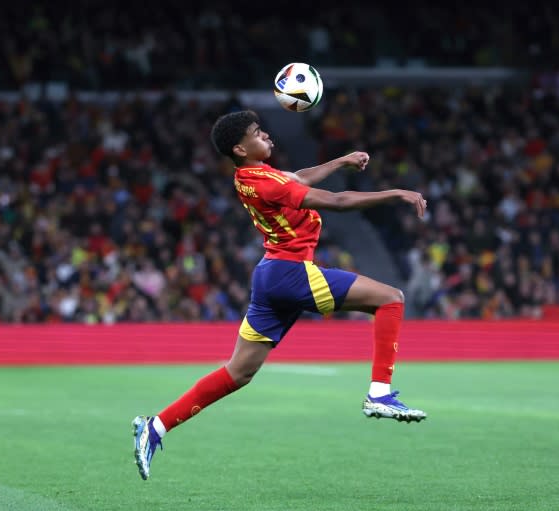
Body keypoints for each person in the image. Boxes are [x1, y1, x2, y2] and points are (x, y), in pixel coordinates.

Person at [132, 110, 428, 480]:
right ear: (241, 148)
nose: (267, 135)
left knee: (237, 373)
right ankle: (380, 393)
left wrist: (340, 160)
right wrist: (396, 193)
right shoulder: (266, 182)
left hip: (270, 277)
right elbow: (335, 202)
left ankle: (155, 427)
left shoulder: (252, 176)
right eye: (258, 133)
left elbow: (299, 177)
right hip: (290, 273)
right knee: (391, 298)